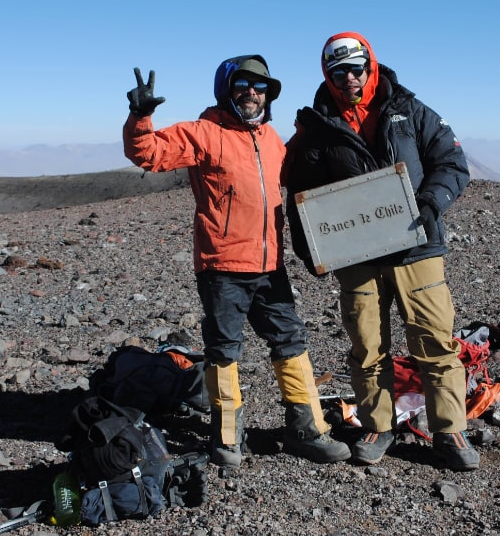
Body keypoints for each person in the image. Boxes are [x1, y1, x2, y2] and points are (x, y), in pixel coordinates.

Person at [122, 55, 350, 468]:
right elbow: (147, 153)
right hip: (223, 265)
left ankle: (306, 429)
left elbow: (294, 174)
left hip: (270, 264)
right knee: (224, 350)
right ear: (227, 88)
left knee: (291, 341)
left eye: (260, 86)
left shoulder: (270, 137)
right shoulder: (204, 131)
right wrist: (140, 116)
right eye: (243, 84)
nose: (252, 92)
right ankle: (227, 439)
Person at [282, 32, 479, 471]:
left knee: (435, 340)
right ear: (327, 76)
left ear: (370, 64)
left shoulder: (408, 110)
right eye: (339, 72)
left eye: (356, 68)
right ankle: (377, 425)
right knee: (366, 344)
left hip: (418, 248)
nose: (349, 78)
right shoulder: (317, 127)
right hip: (358, 257)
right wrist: (310, 249)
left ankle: (449, 429)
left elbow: (452, 163)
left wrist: (429, 204)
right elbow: (301, 194)